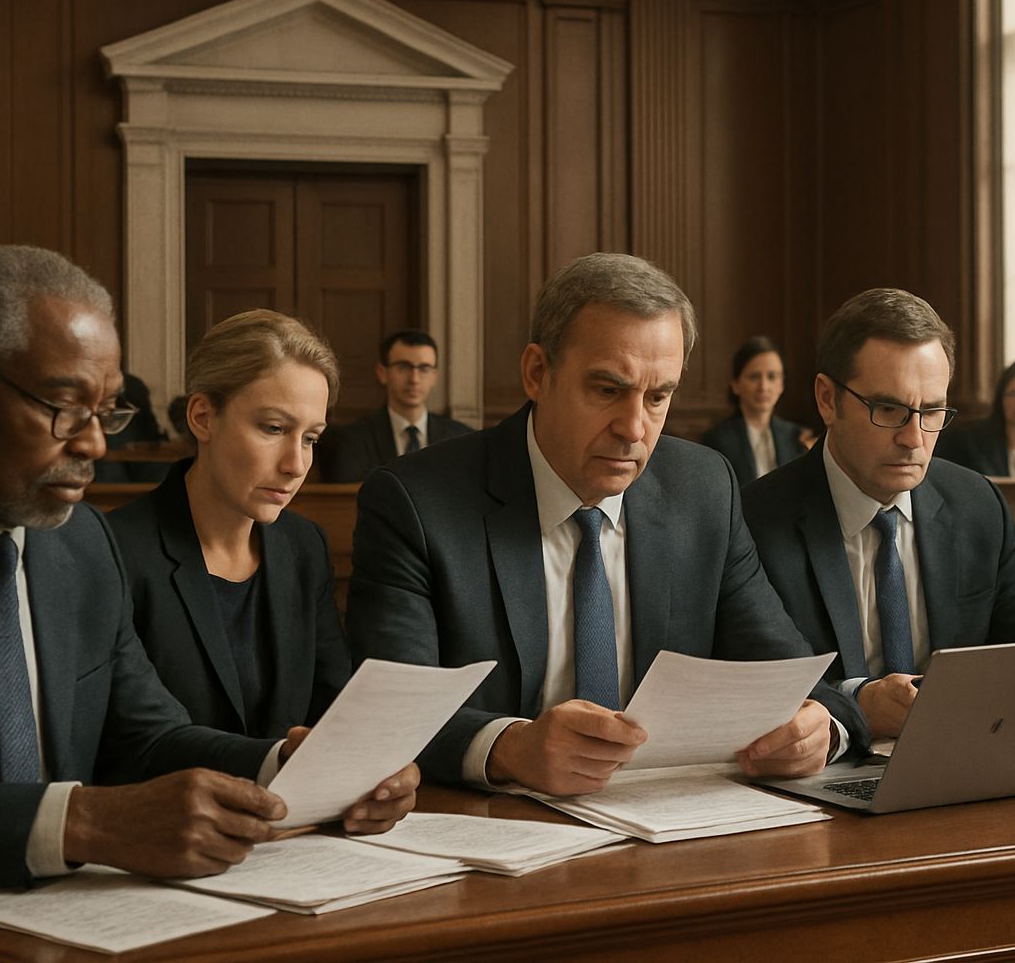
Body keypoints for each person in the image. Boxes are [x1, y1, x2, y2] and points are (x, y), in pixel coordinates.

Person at [0, 246, 416, 888]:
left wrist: (285, 766)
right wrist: (82, 824)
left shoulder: (79, 541)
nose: (92, 444)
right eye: (63, 408)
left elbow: (146, 737)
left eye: (106, 412)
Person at [347, 252, 870, 794]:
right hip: (492, 828)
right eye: (606, 390)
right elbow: (392, 713)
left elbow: (796, 675)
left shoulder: (703, 490)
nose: (634, 428)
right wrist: (508, 747)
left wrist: (820, 729)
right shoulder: (416, 502)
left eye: (658, 397)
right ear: (536, 372)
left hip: (663, 824)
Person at [743, 289, 1015, 739]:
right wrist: (857, 703)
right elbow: (764, 681)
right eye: (888, 409)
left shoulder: (978, 507)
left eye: (931, 411)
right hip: (822, 776)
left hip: (964, 754)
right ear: (827, 399)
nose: (914, 438)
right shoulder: (756, 520)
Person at [110, 310, 351, 738]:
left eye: (311, 438)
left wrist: (372, 767)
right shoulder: (118, 550)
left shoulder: (303, 546)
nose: (296, 465)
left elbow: (334, 709)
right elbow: (138, 741)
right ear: (202, 417)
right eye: (274, 428)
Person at [318, 329, 472, 481]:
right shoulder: (352, 441)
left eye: (424, 369)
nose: (414, 379)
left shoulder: (460, 437)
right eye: (404, 367)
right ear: (382, 373)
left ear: (434, 377)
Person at [700, 337, 807, 484]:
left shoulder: (794, 436)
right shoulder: (716, 440)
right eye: (754, 377)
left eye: (772, 377)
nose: (763, 387)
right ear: (736, 384)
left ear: (781, 384)